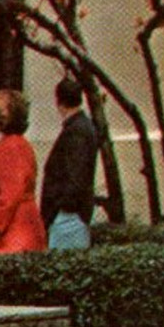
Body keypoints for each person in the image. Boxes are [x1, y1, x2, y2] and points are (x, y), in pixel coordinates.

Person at [0, 89, 48, 253]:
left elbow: (10, 196)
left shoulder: (11, 146)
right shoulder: (20, 144)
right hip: (25, 222)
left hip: (15, 229)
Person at [40, 76, 99, 250]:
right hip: (72, 214)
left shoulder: (75, 131)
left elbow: (75, 177)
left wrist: (59, 208)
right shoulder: (83, 127)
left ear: (59, 102)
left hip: (68, 216)